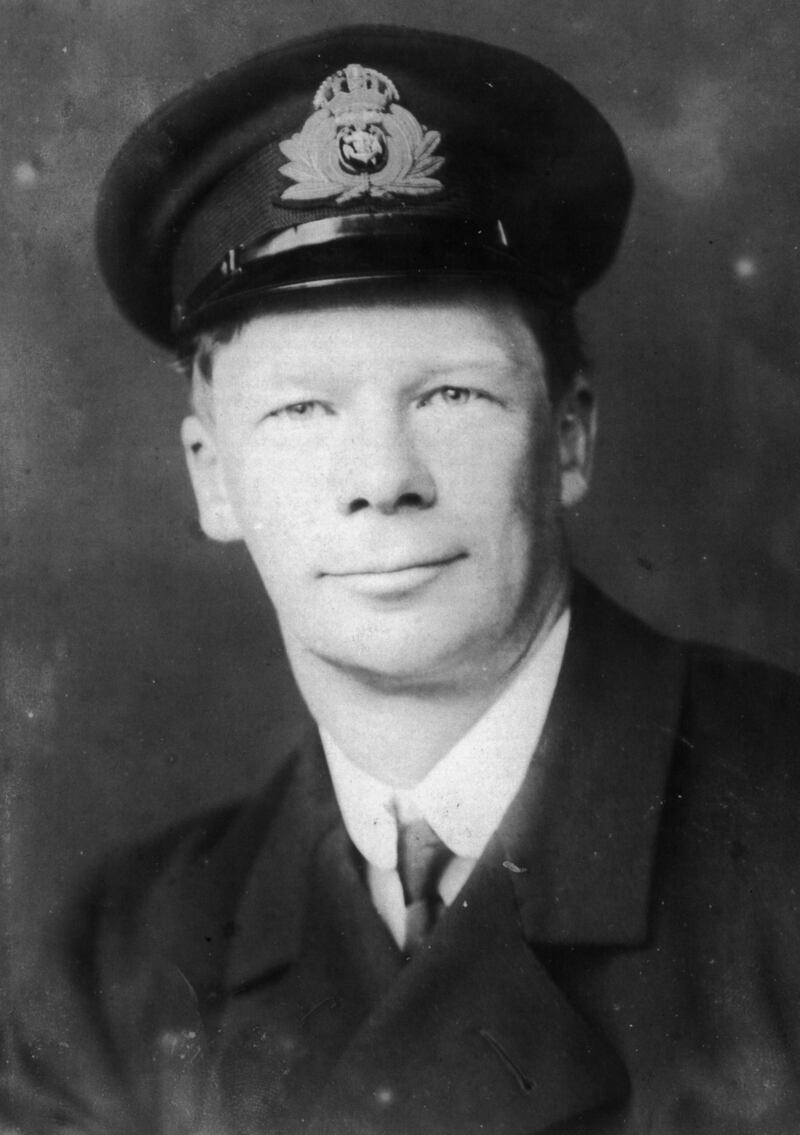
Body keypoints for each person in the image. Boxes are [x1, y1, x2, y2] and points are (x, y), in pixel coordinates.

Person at [3, 22, 800, 1135]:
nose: (382, 480)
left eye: (451, 395)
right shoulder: (118, 970)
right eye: (301, 409)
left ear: (569, 437)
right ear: (212, 477)